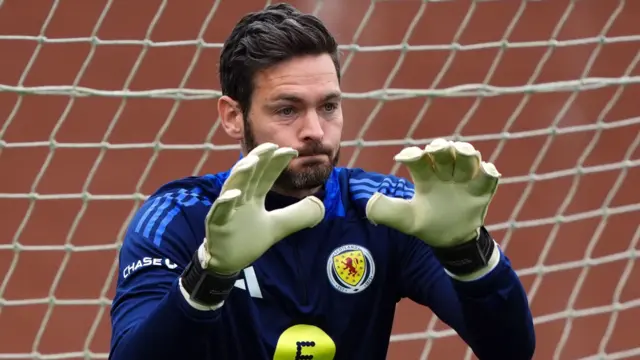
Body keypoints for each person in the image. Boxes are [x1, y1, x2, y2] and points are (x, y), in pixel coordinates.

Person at [109, 3, 535, 360]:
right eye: (287, 110)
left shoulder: (386, 210)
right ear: (233, 116)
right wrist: (211, 274)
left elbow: (511, 348)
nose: (315, 129)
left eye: (328, 106)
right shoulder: (177, 218)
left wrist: (467, 251)